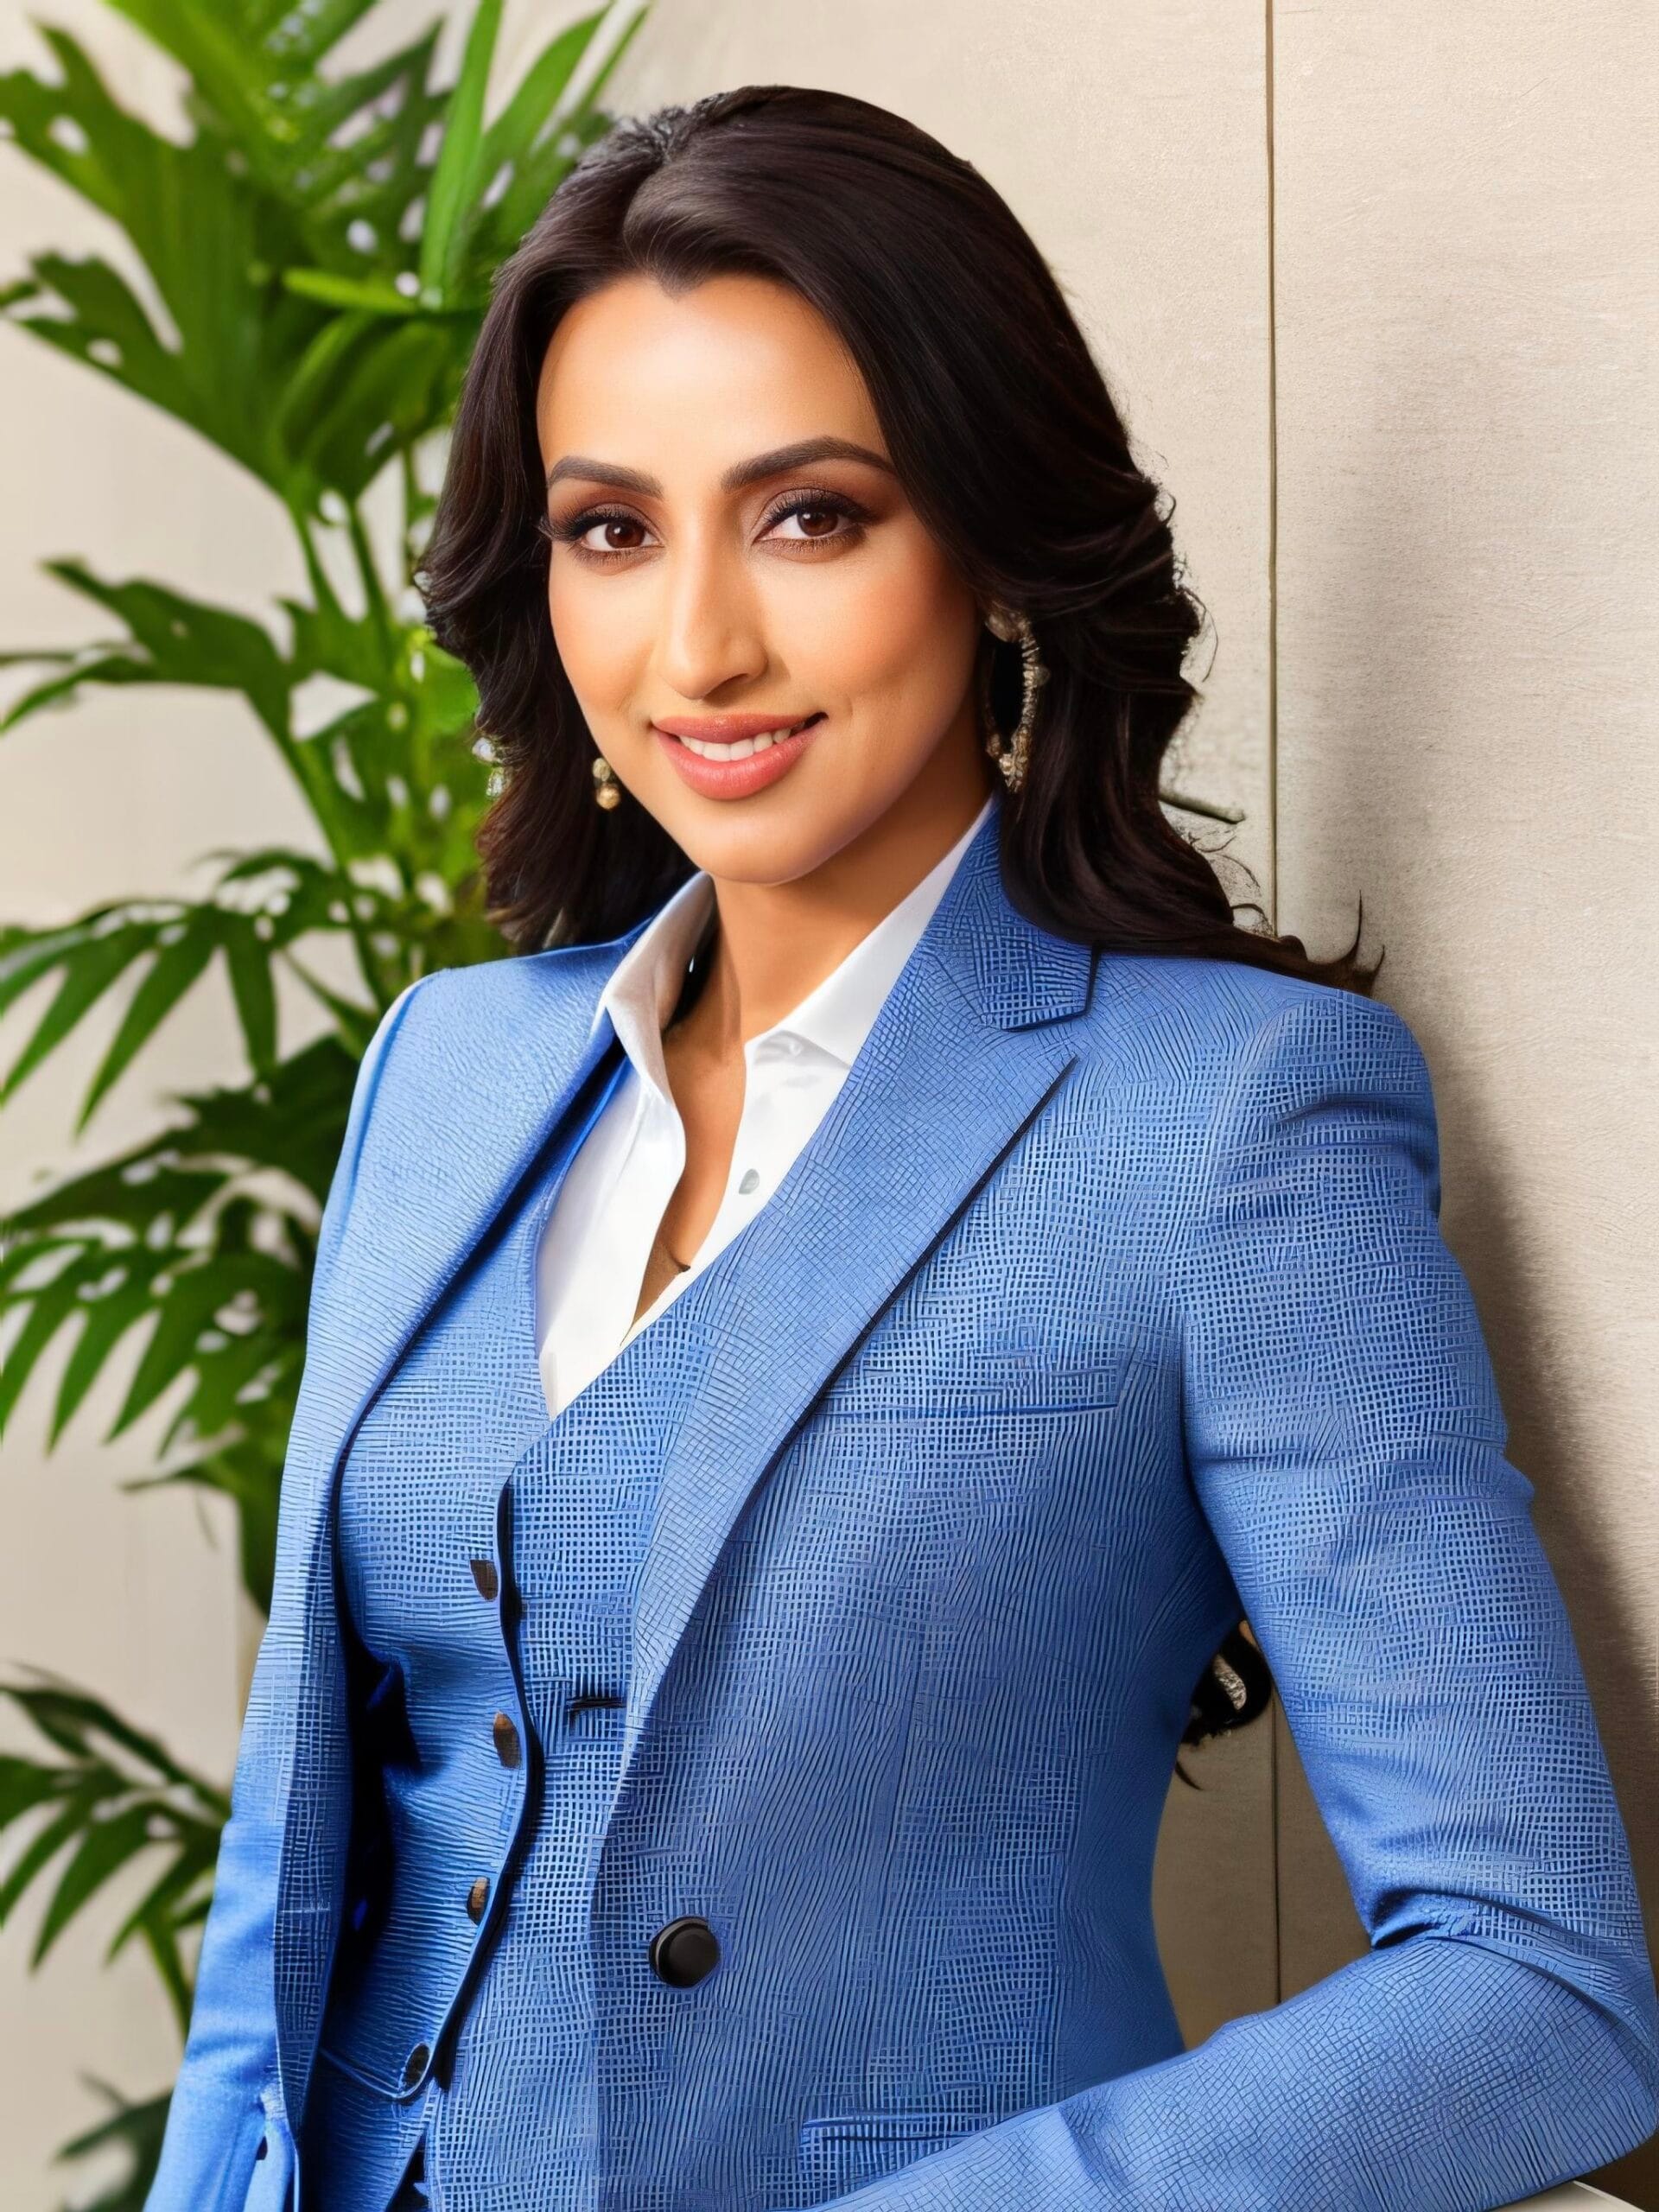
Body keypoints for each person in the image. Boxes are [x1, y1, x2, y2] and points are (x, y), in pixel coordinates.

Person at [146, 85, 1657, 2212]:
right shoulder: (449, 1076)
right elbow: (278, 1914)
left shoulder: (1232, 1121)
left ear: (994, 546)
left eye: (812, 514)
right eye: (610, 528)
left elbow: (1537, 1980)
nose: (701, 649)